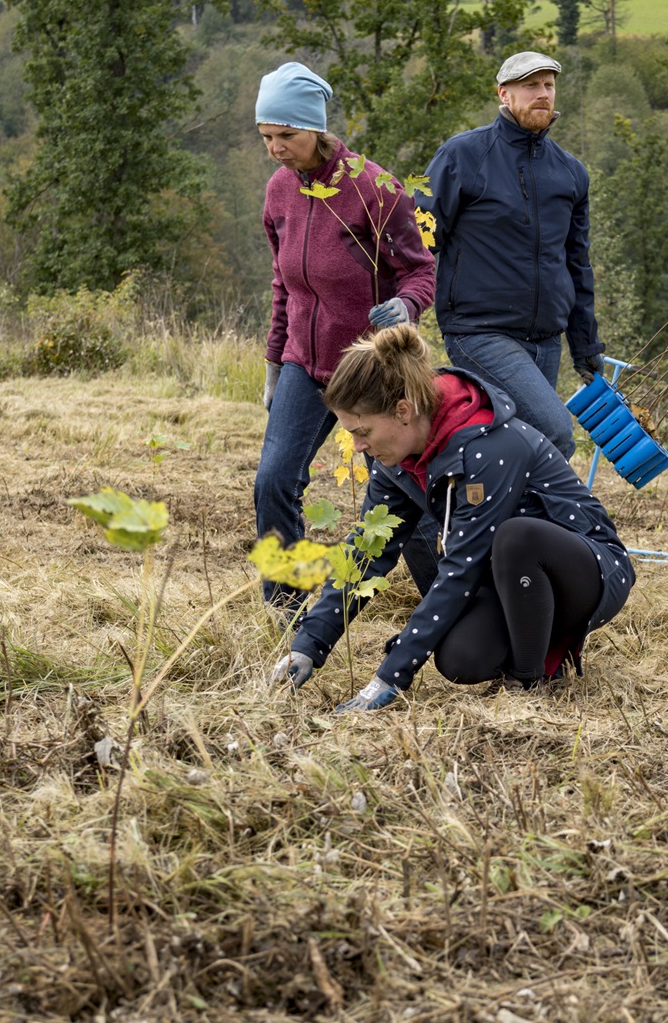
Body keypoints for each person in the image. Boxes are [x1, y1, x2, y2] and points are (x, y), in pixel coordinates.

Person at [269, 325, 633, 713]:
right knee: (460, 659)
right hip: (513, 584)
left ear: (403, 411)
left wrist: (390, 677)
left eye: (363, 431)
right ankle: (545, 651)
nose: (358, 446)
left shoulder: (489, 446)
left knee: (516, 537)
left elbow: (463, 566)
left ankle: (527, 682)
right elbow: (368, 552)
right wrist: (308, 646)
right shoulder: (398, 463)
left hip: (588, 570)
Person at [254, 60, 436, 610]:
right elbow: (283, 285)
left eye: (287, 134)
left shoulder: (372, 188)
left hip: (371, 370)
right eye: (266, 136)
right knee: (273, 482)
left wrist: (404, 305)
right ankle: (283, 607)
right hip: (303, 367)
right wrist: (273, 364)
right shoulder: (280, 192)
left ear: (316, 128)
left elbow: (421, 270)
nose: (276, 148)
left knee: (405, 493)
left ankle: (448, 604)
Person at [421, 51, 603, 460]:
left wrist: (585, 346)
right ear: (504, 94)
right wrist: (401, 303)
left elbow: (577, 264)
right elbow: (419, 236)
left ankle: (492, 522)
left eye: (549, 85)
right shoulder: (462, 155)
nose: (543, 93)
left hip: (545, 340)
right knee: (553, 434)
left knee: (516, 450)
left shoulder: (570, 172)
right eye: (531, 85)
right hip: (479, 332)